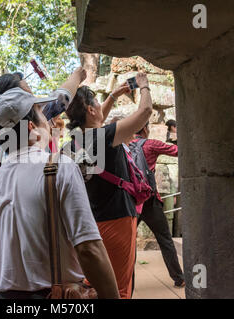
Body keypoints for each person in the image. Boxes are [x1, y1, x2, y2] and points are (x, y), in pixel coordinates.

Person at [0, 88, 120, 299]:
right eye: (43, 115)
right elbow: (89, 249)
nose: (50, 123)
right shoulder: (61, 167)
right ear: (31, 127)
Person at [65, 73, 153, 299]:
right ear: (90, 110)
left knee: (97, 284)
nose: (98, 105)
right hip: (119, 219)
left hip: (90, 221)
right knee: (120, 288)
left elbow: (96, 120)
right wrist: (144, 87)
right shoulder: (105, 136)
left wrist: (113, 95)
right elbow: (145, 113)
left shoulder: (71, 145)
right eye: (95, 102)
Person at [131, 122, 185, 287]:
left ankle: (124, 281)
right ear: (145, 129)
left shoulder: (123, 146)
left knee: (128, 241)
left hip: (131, 201)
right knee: (165, 240)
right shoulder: (151, 144)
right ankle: (179, 278)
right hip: (150, 200)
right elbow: (177, 151)